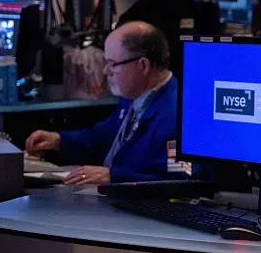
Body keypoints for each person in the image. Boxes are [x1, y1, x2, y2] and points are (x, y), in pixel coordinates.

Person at [25, 21, 178, 185]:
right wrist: (59, 140)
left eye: (112, 64)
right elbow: (101, 137)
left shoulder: (179, 115)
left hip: (138, 205)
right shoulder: (134, 96)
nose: (106, 71)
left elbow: (178, 181)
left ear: (142, 65)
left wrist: (113, 177)